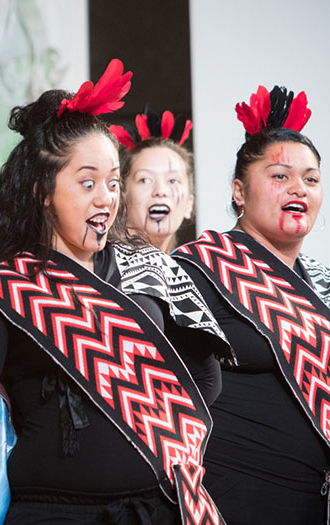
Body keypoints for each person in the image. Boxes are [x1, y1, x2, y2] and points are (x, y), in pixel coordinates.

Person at [0, 59, 232, 524]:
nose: (106, 198)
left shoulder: (150, 265)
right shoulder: (4, 287)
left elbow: (206, 376)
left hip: (159, 507)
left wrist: (170, 448)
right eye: (87, 183)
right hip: (52, 511)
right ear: (43, 190)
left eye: (114, 183)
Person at [172, 85, 330, 524]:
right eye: (279, 176)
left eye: (311, 178)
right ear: (239, 192)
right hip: (232, 496)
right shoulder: (197, 267)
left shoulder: (323, 284)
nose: (298, 187)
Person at [110, 107, 194, 253]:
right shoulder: (104, 270)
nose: (160, 191)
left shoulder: (190, 272)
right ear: (122, 197)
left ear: (189, 204)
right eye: (145, 180)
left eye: (173, 181)